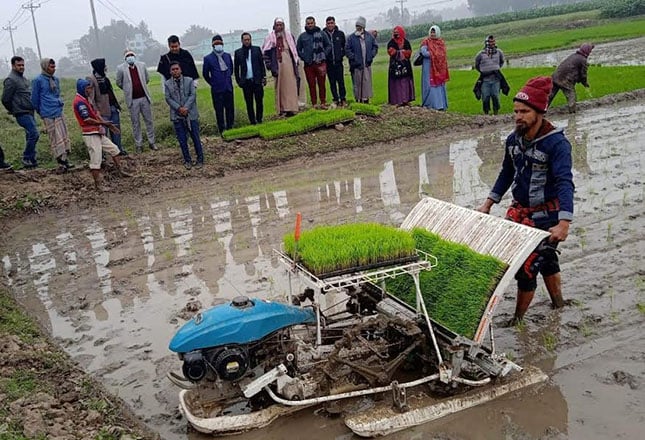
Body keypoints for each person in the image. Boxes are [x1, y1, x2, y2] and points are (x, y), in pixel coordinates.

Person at [477, 76, 574, 325]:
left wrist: (564, 222)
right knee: (547, 259)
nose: (518, 116)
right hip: (520, 212)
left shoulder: (556, 144)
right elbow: (506, 173)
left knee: (527, 266)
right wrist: (489, 203)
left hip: (546, 216)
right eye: (516, 111)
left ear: (540, 112)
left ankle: (518, 320)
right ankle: (558, 304)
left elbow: (565, 182)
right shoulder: (513, 140)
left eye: (524, 111)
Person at [72, 79, 132, 190]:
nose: (90, 90)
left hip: (96, 131)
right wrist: (104, 123)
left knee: (114, 149)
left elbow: (95, 114)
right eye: (88, 88)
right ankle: (98, 185)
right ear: (82, 88)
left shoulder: (85, 99)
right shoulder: (79, 102)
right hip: (90, 134)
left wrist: (106, 125)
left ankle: (120, 171)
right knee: (96, 159)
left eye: (90, 88)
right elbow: (87, 119)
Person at [31, 58, 74, 172]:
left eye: (54, 67)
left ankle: (65, 160)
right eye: (51, 67)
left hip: (58, 111)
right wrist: (41, 111)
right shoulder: (38, 81)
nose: (53, 69)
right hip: (47, 113)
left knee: (63, 136)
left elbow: (57, 93)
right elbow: (34, 99)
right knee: (55, 137)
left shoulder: (55, 79)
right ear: (45, 67)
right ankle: (60, 162)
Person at [116, 49, 158, 153]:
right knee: (136, 123)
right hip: (132, 100)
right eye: (128, 56)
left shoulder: (142, 65)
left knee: (149, 121)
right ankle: (139, 144)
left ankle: (152, 142)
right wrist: (128, 89)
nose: (130, 57)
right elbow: (119, 82)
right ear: (125, 58)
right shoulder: (121, 69)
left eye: (131, 55)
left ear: (135, 56)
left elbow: (147, 79)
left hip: (144, 98)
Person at [2, 56, 39, 169]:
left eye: (23, 65)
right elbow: (5, 99)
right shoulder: (11, 80)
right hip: (21, 112)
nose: (21, 67)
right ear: (13, 66)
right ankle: (26, 157)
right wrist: (13, 110)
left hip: (30, 110)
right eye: (19, 65)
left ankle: (31, 159)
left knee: (29, 135)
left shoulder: (23, 79)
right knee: (34, 133)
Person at [164, 62, 204, 170]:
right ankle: (187, 160)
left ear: (180, 70)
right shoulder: (167, 84)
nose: (175, 71)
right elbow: (168, 98)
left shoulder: (189, 80)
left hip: (191, 114)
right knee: (182, 140)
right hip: (177, 115)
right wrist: (179, 108)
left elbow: (193, 95)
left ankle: (200, 159)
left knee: (195, 137)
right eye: (173, 69)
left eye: (177, 69)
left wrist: (186, 108)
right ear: (170, 71)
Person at [262, 18, 300, 116]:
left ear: (283, 26)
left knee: (291, 86)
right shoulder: (270, 38)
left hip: (289, 65)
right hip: (278, 65)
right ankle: (282, 109)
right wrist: (269, 65)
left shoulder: (289, 36)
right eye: (277, 25)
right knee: (280, 88)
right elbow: (265, 53)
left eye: (281, 25)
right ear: (274, 26)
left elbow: (294, 51)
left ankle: (291, 108)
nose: (279, 27)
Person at [87, 58, 123, 154]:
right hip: (102, 111)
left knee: (116, 130)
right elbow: (91, 98)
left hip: (113, 108)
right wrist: (96, 111)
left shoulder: (105, 78)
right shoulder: (91, 79)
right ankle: (104, 154)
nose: (106, 67)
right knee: (104, 134)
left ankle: (118, 150)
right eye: (104, 65)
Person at [548, 43, 594, 114]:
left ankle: (541, 111)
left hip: (555, 77)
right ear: (587, 51)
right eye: (590, 51)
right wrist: (585, 83)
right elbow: (583, 75)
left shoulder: (574, 56)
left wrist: (579, 79)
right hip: (564, 80)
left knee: (550, 96)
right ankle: (572, 114)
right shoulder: (583, 60)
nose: (590, 52)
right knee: (571, 96)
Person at [297, 16, 331, 109]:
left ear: (314, 23)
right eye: (308, 23)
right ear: (306, 24)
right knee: (311, 84)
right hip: (309, 64)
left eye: (311, 23)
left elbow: (328, 45)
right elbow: (298, 49)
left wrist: (324, 55)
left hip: (321, 63)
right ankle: (314, 103)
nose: (310, 25)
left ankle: (323, 102)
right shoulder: (302, 36)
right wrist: (304, 57)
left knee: (322, 84)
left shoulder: (322, 34)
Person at [203, 35, 235, 134]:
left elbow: (231, 70)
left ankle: (231, 128)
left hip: (228, 88)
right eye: (216, 44)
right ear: (213, 45)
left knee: (230, 110)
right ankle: (222, 130)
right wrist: (213, 83)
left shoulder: (227, 56)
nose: (218, 45)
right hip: (217, 90)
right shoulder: (208, 58)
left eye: (220, 43)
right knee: (219, 111)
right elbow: (205, 74)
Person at [234, 32, 266, 125]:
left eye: (248, 39)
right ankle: (252, 121)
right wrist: (239, 81)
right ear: (242, 41)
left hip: (257, 80)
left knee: (259, 101)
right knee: (249, 103)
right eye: (245, 40)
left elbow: (261, 64)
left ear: (251, 40)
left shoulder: (256, 50)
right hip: (246, 82)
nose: (247, 41)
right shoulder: (238, 53)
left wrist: (263, 77)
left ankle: (259, 119)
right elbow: (236, 69)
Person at [345, 16, 378, 104]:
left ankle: (366, 100)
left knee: (366, 83)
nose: (358, 28)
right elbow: (347, 49)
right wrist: (353, 58)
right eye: (357, 26)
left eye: (360, 26)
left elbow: (375, 47)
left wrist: (371, 55)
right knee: (357, 84)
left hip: (366, 64)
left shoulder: (369, 36)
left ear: (363, 27)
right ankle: (358, 101)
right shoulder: (351, 38)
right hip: (356, 65)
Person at [420, 25, 449, 111]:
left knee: (439, 86)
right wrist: (435, 54)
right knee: (429, 85)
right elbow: (424, 53)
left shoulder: (441, 43)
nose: (432, 34)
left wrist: (433, 54)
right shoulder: (426, 42)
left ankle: (441, 105)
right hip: (428, 67)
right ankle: (430, 104)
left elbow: (443, 54)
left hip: (439, 69)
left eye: (434, 32)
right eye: (431, 32)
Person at [475, 35, 505, 115]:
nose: (492, 43)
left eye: (493, 41)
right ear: (486, 43)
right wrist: (484, 70)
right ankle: (486, 114)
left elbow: (501, 62)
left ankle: (496, 113)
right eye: (490, 42)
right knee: (485, 97)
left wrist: (495, 68)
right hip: (485, 80)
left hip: (496, 79)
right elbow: (477, 65)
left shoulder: (499, 52)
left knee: (495, 96)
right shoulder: (480, 54)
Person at [387, 26, 414, 106]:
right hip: (395, 66)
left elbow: (409, 52)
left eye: (398, 33)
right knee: (396, 83)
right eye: (395, 33)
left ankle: (406, 99)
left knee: (405, 82)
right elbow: (391, 52)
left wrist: (400, 52)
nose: (396, 34)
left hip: (405, 66)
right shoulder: (391, 42)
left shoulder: (406, 42)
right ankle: (397, 100)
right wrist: (401, 53)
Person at [323, 16, 347, 107]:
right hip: (328, 63)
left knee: (341, 81)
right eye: (328, 23)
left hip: (338, 62)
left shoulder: (340, 34)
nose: (330, 25)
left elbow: (344, 46)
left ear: (334, 23)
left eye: (332, 23)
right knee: (332, 82)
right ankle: (336, 99)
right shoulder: (323, 34)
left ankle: (343, 99)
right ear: (326, 24)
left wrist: (341, 54)